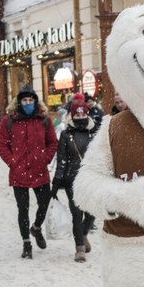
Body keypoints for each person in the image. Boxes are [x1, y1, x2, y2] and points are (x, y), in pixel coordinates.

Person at [0, 86, 59, 259]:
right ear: (19, 102)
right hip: (19, 172)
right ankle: (26, 243)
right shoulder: (9, 121)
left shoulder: (44, 120)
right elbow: (1, 144)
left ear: (35, 101)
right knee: (22, 209)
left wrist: (45, 158)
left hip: (39, 170)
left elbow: (53, 142)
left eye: (31, 100)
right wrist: (12, 161)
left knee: (44, 202)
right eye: (24, 100)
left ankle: (36, 227)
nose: (28, 103)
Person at [51, 97, 100, 262]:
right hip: (73, 180)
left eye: (82, 114)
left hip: (92, 178)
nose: (80, 118)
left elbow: (102, 157)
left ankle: (84, 233)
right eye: (76, 115)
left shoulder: (95, 133)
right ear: (72, 116)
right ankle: (79, 248)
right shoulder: (66, 135)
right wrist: (57, 181)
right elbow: (62, 159)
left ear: (87, 114)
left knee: (92, 213)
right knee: (77, 215)